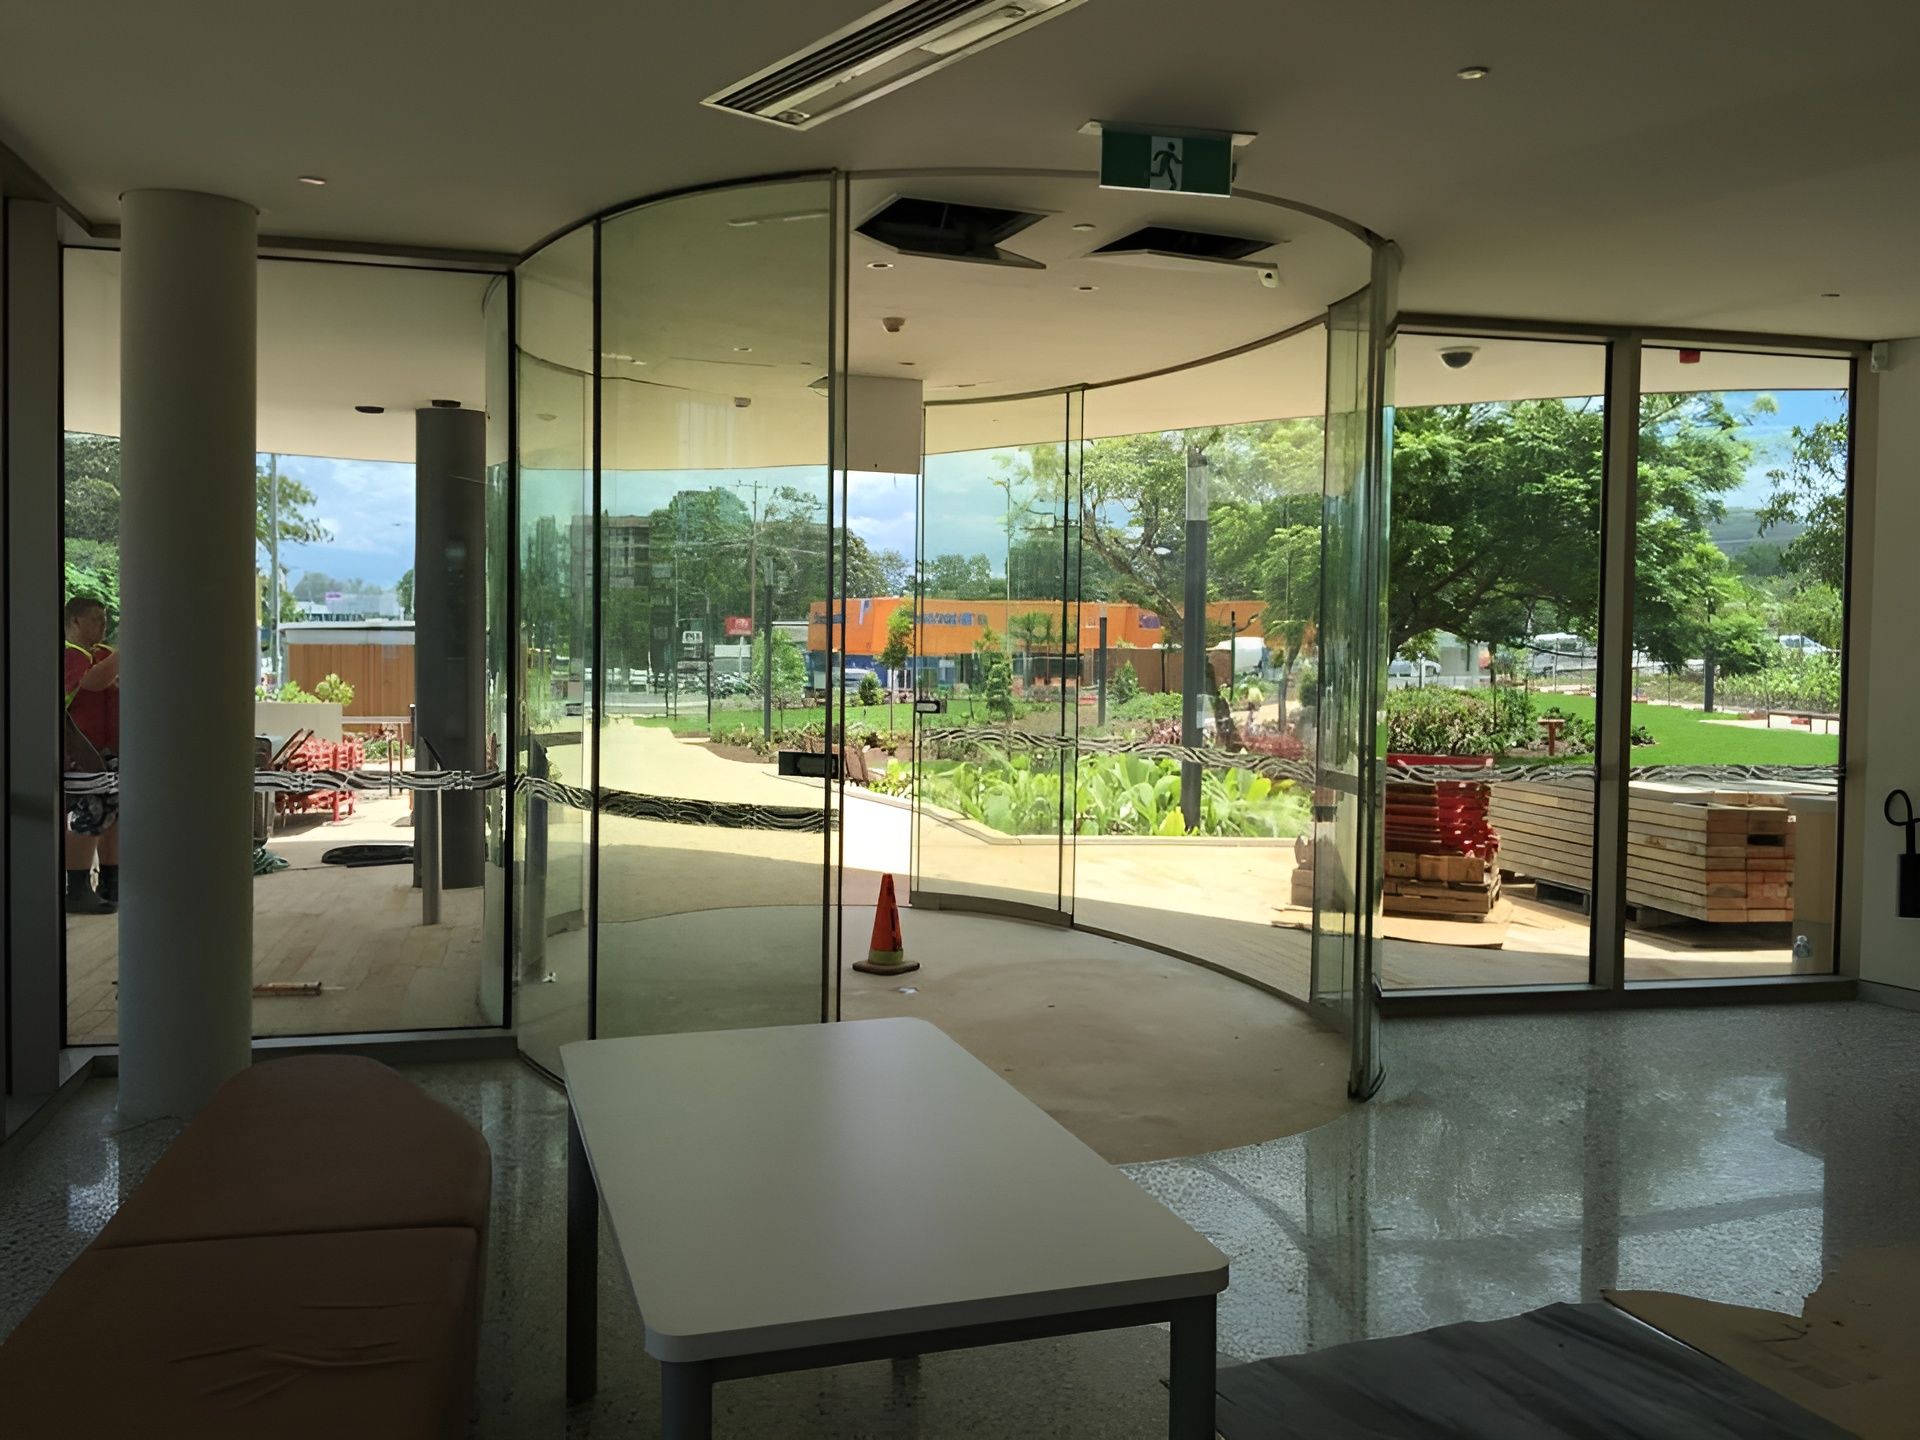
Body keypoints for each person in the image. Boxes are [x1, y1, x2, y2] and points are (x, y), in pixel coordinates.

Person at [62, 595, 120, 915]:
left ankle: (111, 880)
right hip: (82, 756)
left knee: (110, 815)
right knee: (90, 815)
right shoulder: (72, 655)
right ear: (74, 622)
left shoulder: (100, 655)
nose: (103, 625)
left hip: (104, 755)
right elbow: (92, 683)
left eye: (105, 619)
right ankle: (78, 886)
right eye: (95, 619)